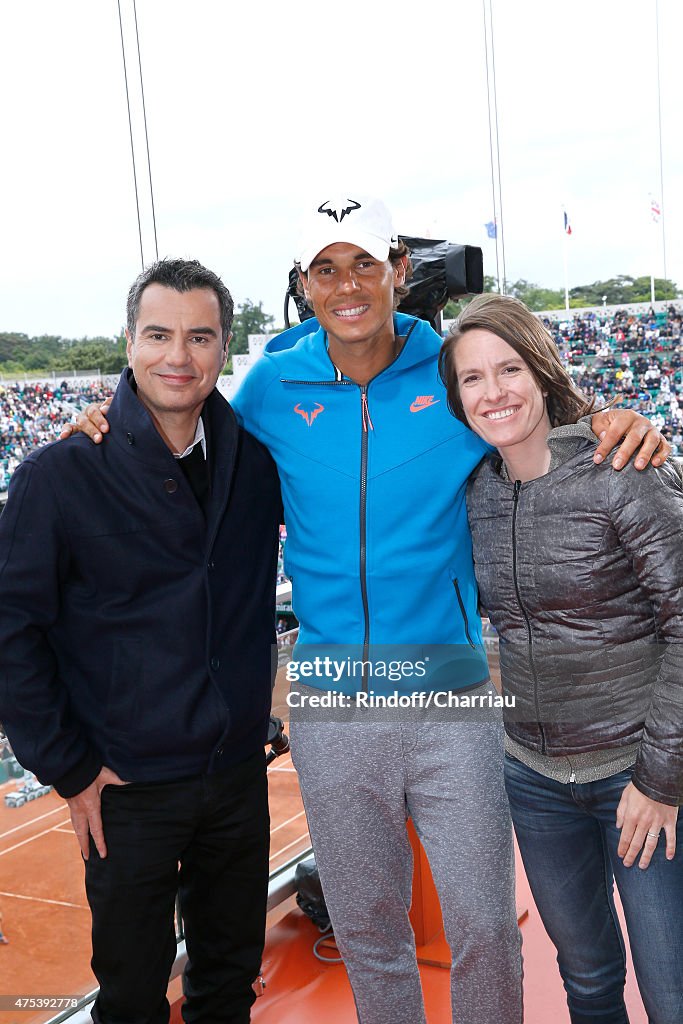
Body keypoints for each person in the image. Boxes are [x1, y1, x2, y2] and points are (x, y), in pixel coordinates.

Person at [70, 196, 670, 1024]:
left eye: (361, 263)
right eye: (325, 269)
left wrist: (612, 415)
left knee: (485, 927)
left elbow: (538, 409)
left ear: (395, 270)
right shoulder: (273, 383)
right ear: (305, 286)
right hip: (329, 703)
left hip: (449, 696)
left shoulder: (448, 366)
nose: (346, 285)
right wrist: (107, 414)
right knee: (366, 930)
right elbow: (183, 423)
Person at [0, 259, 282, 1024]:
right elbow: (10, 632)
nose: (177, 357)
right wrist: (69, 767)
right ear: (128, 342)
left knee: (228, 981)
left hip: (233, 776)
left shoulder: (257, 465)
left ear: (225, 348)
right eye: (158, 334)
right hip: (123, 788)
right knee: (129, 994)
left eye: (199, 337)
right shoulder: (57, 476)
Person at [439, 292, 683, 1024]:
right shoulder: (474, 493)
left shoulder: (621, 468)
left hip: (636, 778)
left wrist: (661, 780)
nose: (493, 392)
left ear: (541, 371)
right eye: (472, 379)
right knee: (585, 980)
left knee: (670, 993)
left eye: (507, 368)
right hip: (535, 779)